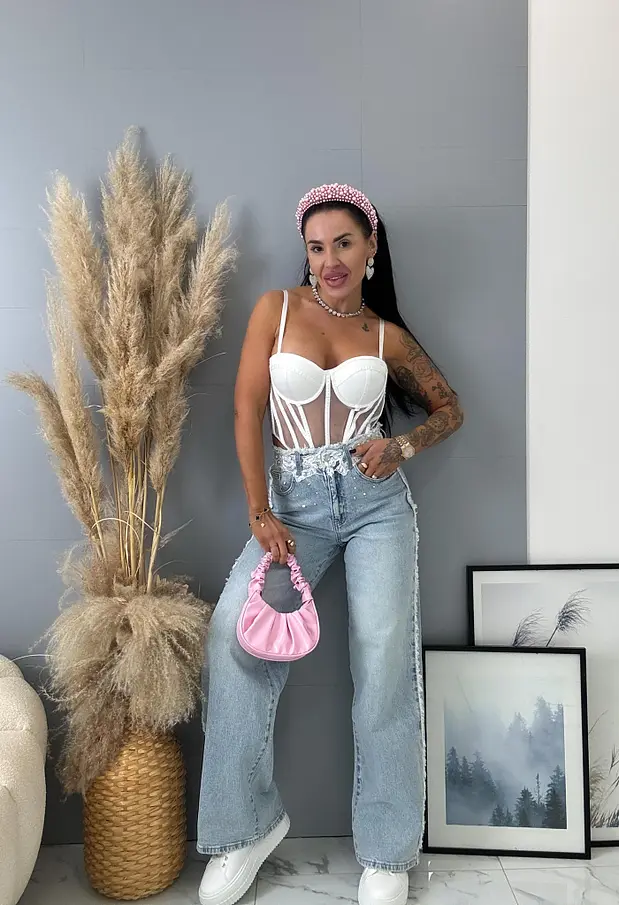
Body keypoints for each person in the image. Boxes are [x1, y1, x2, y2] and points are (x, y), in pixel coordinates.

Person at [197, 184, 463, 905]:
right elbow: (246, 407)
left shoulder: (385, 335)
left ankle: (387, 850)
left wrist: (401, 446)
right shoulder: (276, 309)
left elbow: (449, 408)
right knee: (233, 632)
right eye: (316, 247)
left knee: (383, 662)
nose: (330, 259)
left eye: (344, 243)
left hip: (376, 507)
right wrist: (258, 507)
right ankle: (245, 826)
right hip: (293, 507)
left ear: (371, 247)